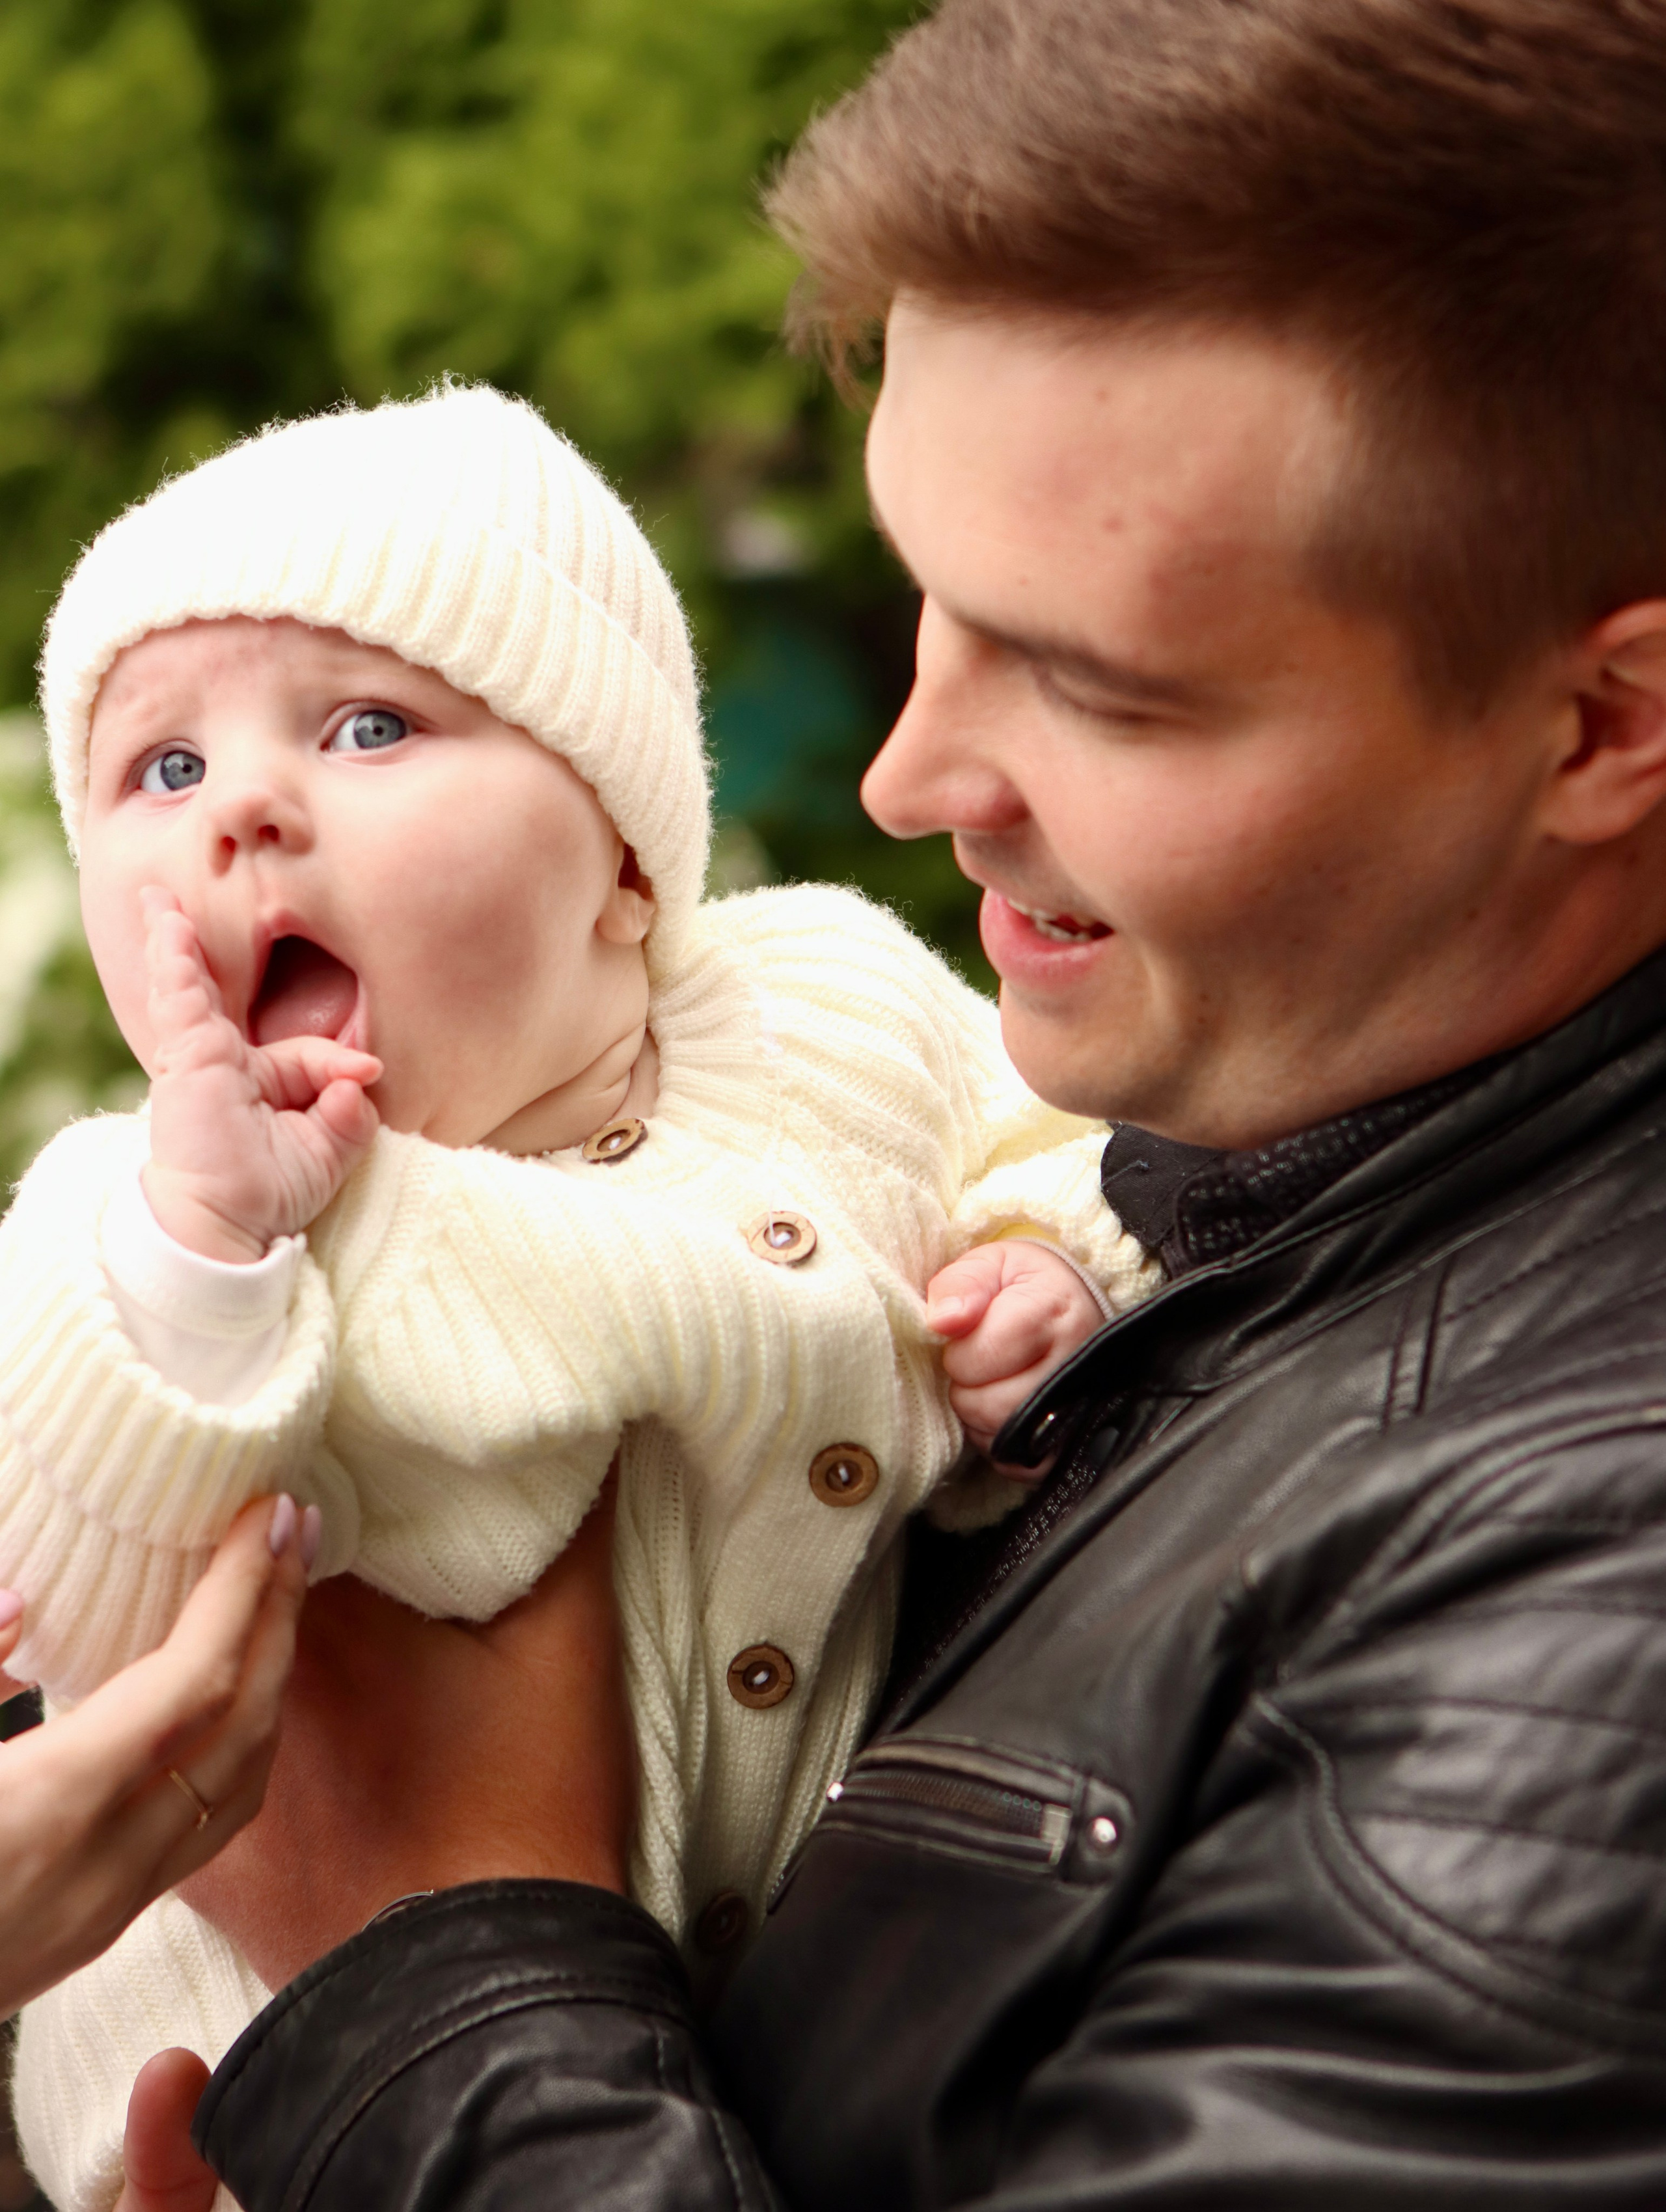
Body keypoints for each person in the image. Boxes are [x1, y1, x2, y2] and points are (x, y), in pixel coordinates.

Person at [107, 0, 1666, 2205]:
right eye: (929, 601)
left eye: (1105, 688)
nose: (904, 778)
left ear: (1607, 722)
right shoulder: (1211, 1156)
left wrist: (418, 1958)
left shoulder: (1597, 1624)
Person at [0, 381, 1147, 2211]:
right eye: (162, 768)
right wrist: (205, 1260)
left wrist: (1040, 1259)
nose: (245, 817)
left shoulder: (826, 999)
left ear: (624, 856)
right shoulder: (135, 1236)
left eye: (371, 726)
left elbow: (1064, 1132)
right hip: (287, 2108)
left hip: (743, 2081)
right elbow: (106, 1628)